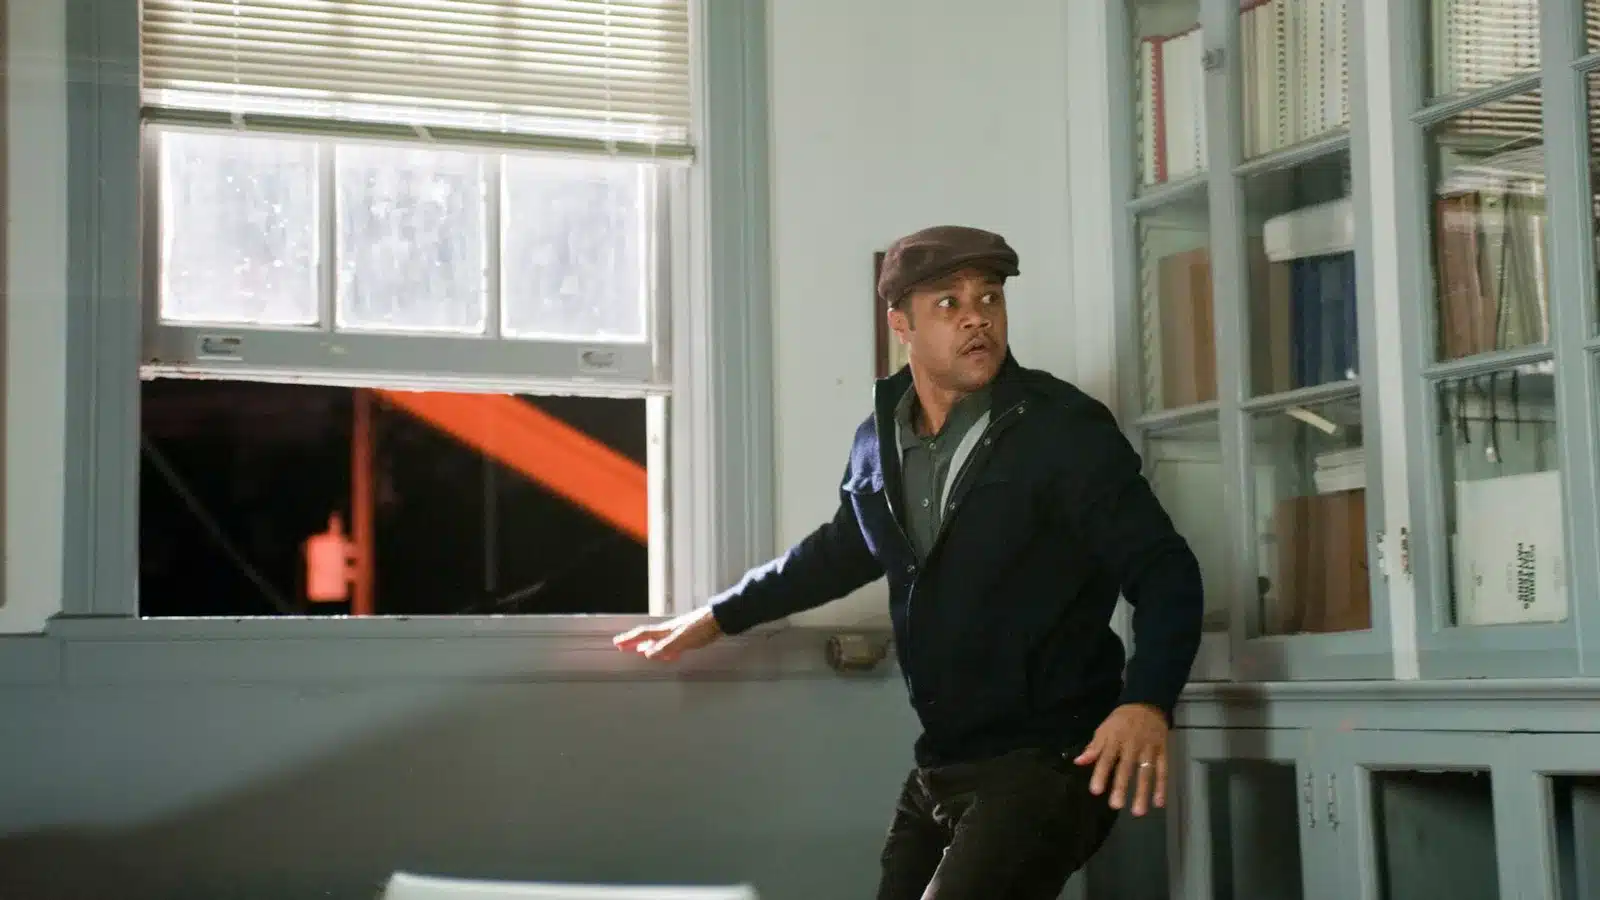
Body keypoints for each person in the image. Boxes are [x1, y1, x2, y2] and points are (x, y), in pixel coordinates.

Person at [614, 225, 1204, 898]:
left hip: (1052, 758)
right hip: (943, 765)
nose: (977, 318)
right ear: (902, 324)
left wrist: (1147, 700)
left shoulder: (1062, 428)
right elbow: (840, 551)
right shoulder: (878, 440)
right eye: (949, 303)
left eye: (989, 298)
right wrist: (718, 616)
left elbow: (1165, 569)